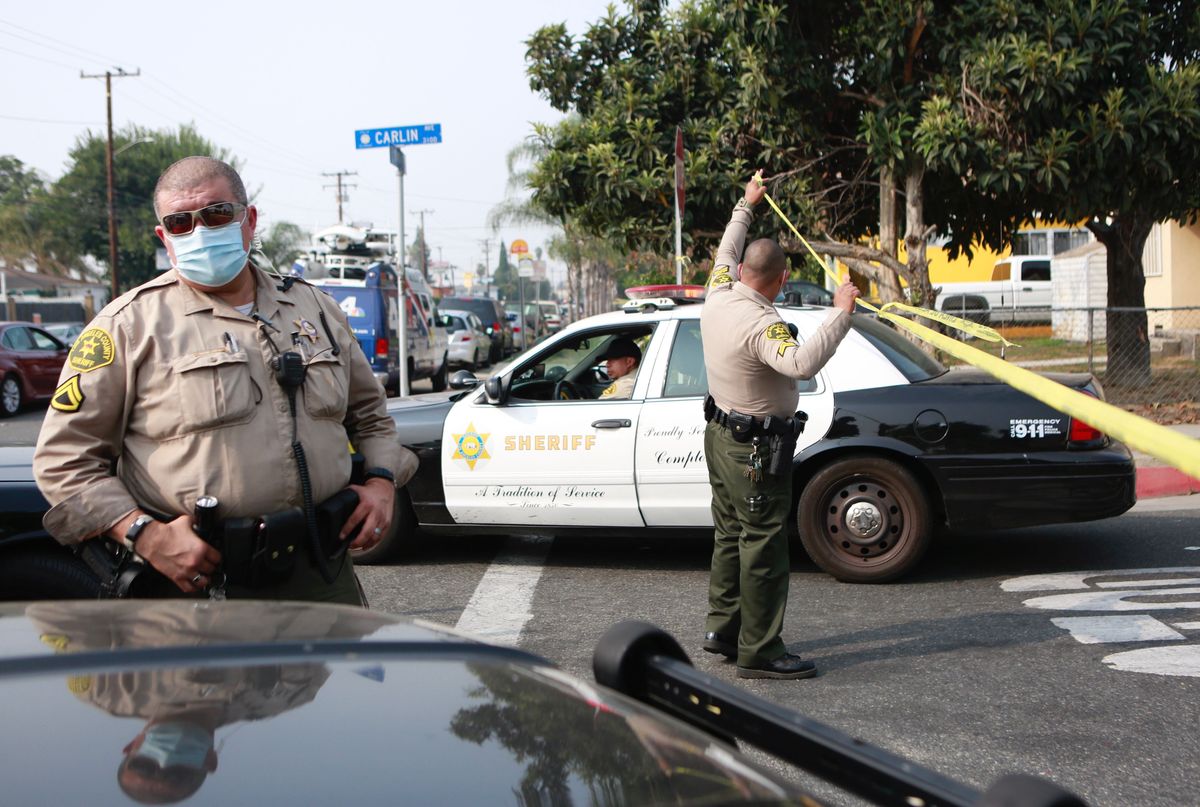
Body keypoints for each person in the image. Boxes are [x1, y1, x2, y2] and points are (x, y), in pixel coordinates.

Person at [33, 156, 416, 605]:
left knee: (341, 656)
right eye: (180, 223)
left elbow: (371, 418)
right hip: (197, 581)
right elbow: (64, 460)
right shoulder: (127, 327)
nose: (199, 232)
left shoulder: (316, 309)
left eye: (216, 214)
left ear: (248, 220)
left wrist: (382, 483)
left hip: (321, 570)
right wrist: (144, 534)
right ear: (164, 236)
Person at [700, 172, 860, 680]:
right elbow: (800, 364)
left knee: (730, 533)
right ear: (782, 278)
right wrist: (840, 315)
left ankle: (724, 629)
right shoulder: (761, 323)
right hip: (752, 449)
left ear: (741, 271)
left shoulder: (718, 288)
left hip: (720, 436)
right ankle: (761, 652)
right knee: (763, 543)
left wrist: (746, 204)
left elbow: (727, 246)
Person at [27, 600, 395, 803]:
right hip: (286, 573)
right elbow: (350, 629)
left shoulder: (103, 690)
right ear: (211, 761)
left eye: (145, 766)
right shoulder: (287, 697)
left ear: (131, 747)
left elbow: (53, 613)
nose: (164, 761)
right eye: (178, 773)